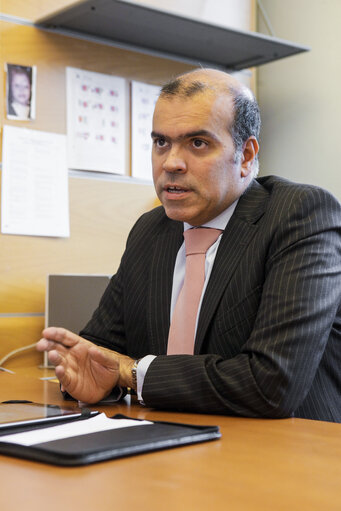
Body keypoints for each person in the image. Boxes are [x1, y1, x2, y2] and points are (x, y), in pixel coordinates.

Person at [37, 68, 341, 422]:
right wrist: (90, 379)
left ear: (245, 156)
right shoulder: (150, 231)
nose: (171, 163)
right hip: (168, 451)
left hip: (288, 456)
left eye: (198, 143)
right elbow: (101, 353)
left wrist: (132, 374)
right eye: (161, 142)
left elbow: (272, 384)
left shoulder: (300, 216)